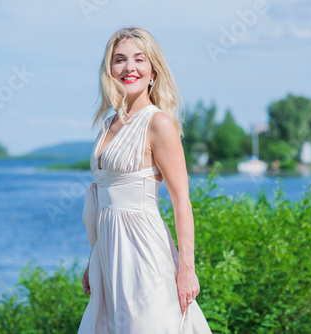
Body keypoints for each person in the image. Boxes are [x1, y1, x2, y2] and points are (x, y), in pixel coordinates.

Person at [78, 27, 212, 334]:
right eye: (120, 59)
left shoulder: (158, 123)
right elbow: (105, 198)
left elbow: (181, 199)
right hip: (108, 255)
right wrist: (94, 258)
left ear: (153, 71)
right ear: (109, 70)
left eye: (139, 59)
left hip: (143, 251)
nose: (129, 68)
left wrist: (187, 270)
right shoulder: (108, 122)